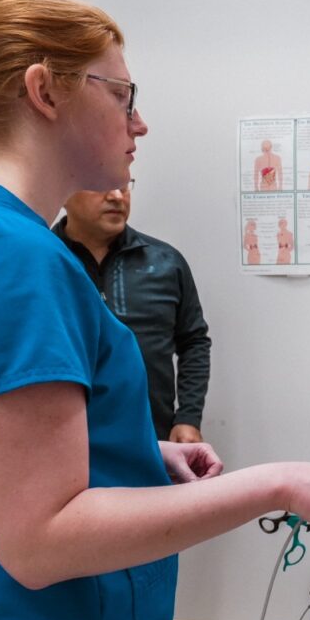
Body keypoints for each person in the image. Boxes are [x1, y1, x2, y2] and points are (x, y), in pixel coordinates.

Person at [0, 0, 310, 620]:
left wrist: (135, 449)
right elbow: (40, 539)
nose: (139, 123)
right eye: (123, 95)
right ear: (45, 91)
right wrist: (279, 484)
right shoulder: (9, 255)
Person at [52, 184, 212, 443]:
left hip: (153, 439)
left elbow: (193, 342)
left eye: (124, 187)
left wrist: (188, 418)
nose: (117, 196)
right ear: (65, 196)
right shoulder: (41, 261)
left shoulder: (165, 262)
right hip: (62, 441)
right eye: (101, 186)